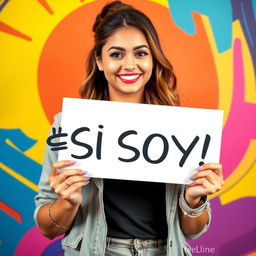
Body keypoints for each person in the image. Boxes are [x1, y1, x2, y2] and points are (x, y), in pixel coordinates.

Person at [34, 1, 224, 255]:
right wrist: (68, 202)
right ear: (100, 62)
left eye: (141, 53)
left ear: (153, 59)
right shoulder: (71, 126)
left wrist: (193, 200)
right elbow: (47, 227)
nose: (129, 64)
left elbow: (192, 230)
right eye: (116, 54)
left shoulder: (182, 130)